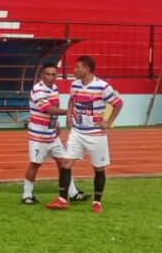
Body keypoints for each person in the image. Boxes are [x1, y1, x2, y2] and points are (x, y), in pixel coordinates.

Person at [48, 56, 123, 214]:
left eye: (77, 67)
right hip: (77, 132)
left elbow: (118, 104)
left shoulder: (102, 86)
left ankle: (97, 201)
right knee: (65, 163)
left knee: (98, 168)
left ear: (86, 69)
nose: (74, 70)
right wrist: (69, 114)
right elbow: (71, 100)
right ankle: (62, 199)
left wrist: (108, 122)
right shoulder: (75, 85)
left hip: (96, 135)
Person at [22, 63, 86, 205]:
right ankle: (27, 195)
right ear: (42, 75)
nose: (51, 77)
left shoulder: (54, 88)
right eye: (48, 74)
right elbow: (48, 109)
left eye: (53, 74)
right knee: (35, 164)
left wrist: (56, 123)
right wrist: (69, 112)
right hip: (38, 135)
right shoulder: (38, 90)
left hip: (52, 135)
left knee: (64, 162)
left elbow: (54, 107)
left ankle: (72, 192)